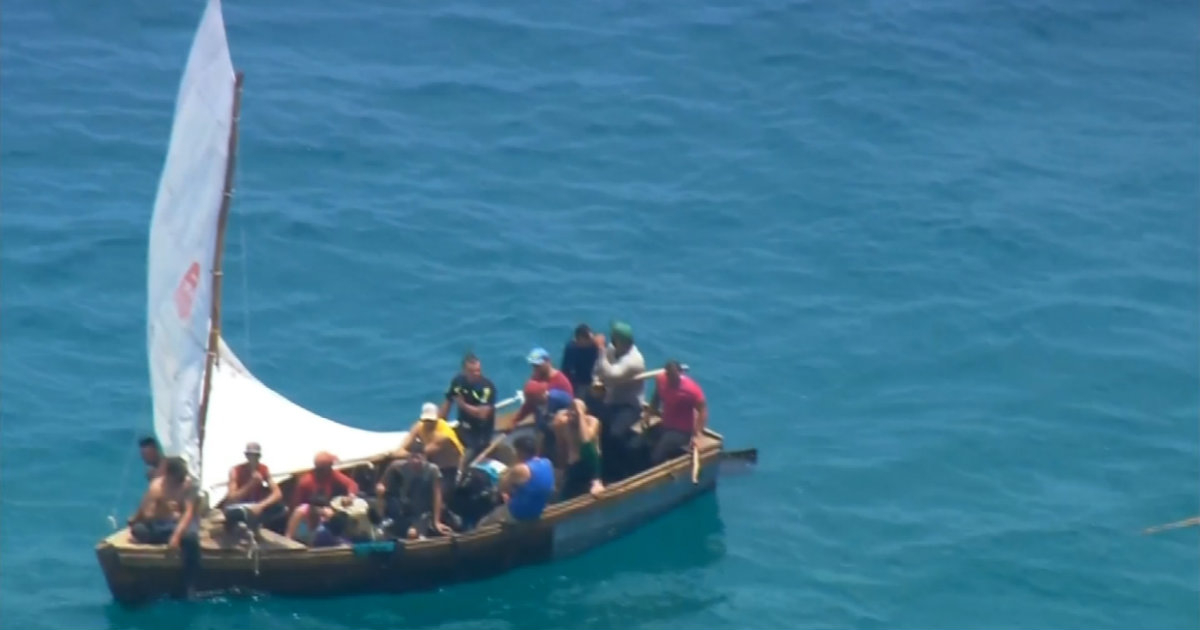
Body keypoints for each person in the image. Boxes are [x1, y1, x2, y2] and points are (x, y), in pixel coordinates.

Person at [129, 456, 200, 581]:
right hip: (160, 524)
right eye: (178, 478)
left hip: (181, 525)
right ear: (169, 475)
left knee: (191, 538)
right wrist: (164, 511)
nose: (181, 481)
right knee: (139, 530)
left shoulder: (187, 485)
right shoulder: (157, 488)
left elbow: (188, 512)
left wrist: (176, 536)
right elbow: (148, 514)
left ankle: (190, 580)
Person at [592, 321, 646, 478]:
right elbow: (598, 369)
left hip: (629, 405)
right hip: (611, 400)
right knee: (598, 427)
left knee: (615, 434)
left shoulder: (634, 360)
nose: (612, 342)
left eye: (614, 339)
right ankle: (604, 465)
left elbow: (612, 375)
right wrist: (596, 381)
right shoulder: (612, 350)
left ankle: (624, 468)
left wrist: (601, 351)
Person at [376, 441, 455, 539]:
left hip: (423, 513)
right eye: (412, 457)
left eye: (418, 458)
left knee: (412, 534)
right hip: (403, 510)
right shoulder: (397, 466)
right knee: (384, 532)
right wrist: (381, 487)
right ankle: (382, 520)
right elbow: (382, 482)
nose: (415, 461)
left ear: (424, 458)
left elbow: (437, 496)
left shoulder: (432, 470)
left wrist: (436, 521)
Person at [477, 435, 554, 526]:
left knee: (482, 524)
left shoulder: (521, 469)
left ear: (519, 452)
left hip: (519, 515)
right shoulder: (547, 462)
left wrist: (513, 466)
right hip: (539, 508)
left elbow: (501, 487)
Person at [285, 452, 360, 543]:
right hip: (305, 521)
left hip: (322, 517)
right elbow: (295, 505)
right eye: (330, 465)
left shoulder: (332, 475)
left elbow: (351, 484)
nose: (332, 467)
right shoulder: (305, 482)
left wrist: (350, 496)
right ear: (325, 468)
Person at [394, 402, 465, 491]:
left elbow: (421, 455)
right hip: (430, 463)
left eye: (431, 421)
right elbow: (402, 448)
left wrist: (400, 454)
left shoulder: (443, 435)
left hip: (449, 470)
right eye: (426, 420)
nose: (428, 424)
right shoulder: (419, 426)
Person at [648, 360, 708, 465]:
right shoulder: (661, 380)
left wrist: (697, 435)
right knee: (637, 443)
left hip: (682, 431)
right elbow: (656, 397)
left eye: (675, 377)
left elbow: (703, 411)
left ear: (680, 374)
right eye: (670, 377)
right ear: (666, 374)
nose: (672, 380)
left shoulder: (691, 390)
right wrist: (649, 414)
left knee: (658, 453)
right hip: (666, 425)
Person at [439, 353, 498, 459]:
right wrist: (439, 424)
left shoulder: (486, 388)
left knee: (465, 458)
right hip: (462, 427)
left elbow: (482, 414)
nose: (476, 373)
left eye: (478, 370)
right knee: (439, 445)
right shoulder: (458, 381)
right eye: (472, 371)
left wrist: (463, 405)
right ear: (464, 371)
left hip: (479, 435)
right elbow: (448, 401)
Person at [220, 442, 285, 533]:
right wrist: (250, 484)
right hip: (238, 506)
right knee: (233, 513)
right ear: (246, 456)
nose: (254, 459)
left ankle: (254, 525)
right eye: (251, 455)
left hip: (255, 506)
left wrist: (261, 506)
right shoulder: (235, 470)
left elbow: (277, 493)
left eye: (256, 456)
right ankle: (237, 525)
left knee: (280, 508)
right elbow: (232, 497)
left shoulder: (263, 469)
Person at [554, 398, 604, 500]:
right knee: (561, 498)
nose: (573, 413)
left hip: (591, 465)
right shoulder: (565, 426)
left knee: (587, 447)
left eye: (576, 410)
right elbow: (562, 448)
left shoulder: (593, 421)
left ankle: (596, 482)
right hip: (575, 468)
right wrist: (561, 469)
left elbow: (586, 440)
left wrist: (580, 414)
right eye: (571, 410)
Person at [511, 380, 573, 461]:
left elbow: (572, 414)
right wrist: (538, 454)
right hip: (548, 435)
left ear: (540, 395)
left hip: (565, 436)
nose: (531, 402)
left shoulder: (560, 399)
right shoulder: (537, 404)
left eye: (532, 399)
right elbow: (540, 430)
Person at [560, 324, 600, 395]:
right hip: (580, 382)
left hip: (595, 378)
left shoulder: (595, 345)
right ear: (579, 339)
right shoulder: (571, 348)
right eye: (587, 339)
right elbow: (567, 370)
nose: (591, 341)